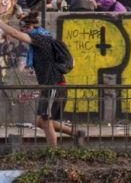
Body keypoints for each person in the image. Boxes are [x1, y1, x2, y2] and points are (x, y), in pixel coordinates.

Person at [0, 11, 85, 147]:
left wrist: (1, 23)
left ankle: (53, 153)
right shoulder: (45, 38)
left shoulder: (40, 39)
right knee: (41, 122)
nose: (23, 33)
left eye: (24, 30)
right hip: (52, 86)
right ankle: (76, 133)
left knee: (45, 122)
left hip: (53, 86)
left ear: (30, 28)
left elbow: (16, 34)